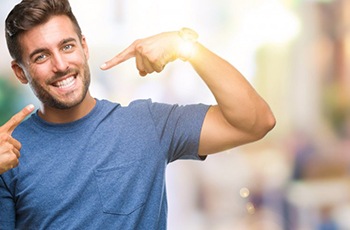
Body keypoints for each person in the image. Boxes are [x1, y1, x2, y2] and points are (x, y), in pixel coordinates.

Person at [0, 0, 275, 229]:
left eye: (67, 46)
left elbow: (255, 122)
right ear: (20, 72)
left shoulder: (147, 125)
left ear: (84, 47)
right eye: (40, 57)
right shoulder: (8, 155)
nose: (60, 65)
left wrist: (188, 48)